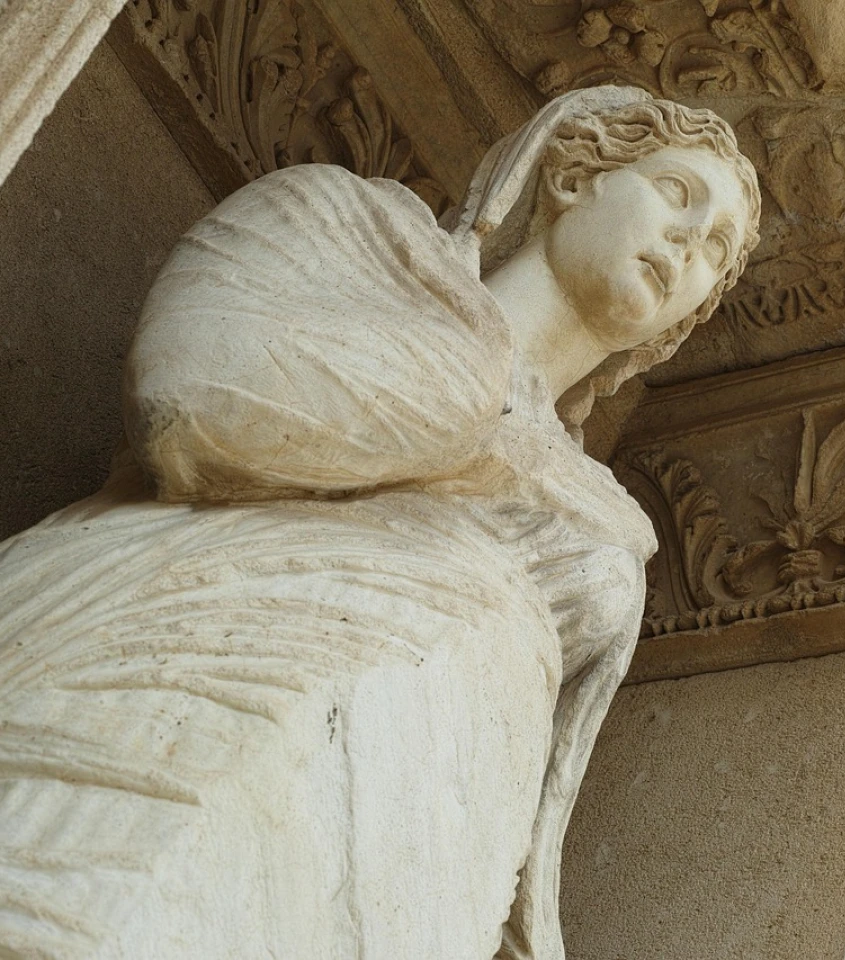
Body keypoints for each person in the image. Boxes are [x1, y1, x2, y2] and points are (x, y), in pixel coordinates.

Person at [0, 86, 759, 959]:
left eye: (715, 251)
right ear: (573, 173)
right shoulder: (348, 226)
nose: (688, 242)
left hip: (416, 833)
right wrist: (476, 399)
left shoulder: (615, 534)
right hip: (185, 660)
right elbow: (191, 400)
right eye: (675, 193)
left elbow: (538, 826)